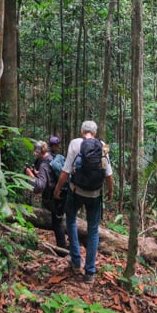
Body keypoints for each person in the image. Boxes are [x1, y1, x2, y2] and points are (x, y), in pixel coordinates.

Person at [53, 120, 113, 283]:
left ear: (81, 131)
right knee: (93, 230)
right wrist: (111, 190)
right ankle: (90, 272)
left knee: (71, 221)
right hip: (95, 194)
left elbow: (66, 171)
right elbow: (108, 173)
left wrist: (57, 189)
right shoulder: (103, 145)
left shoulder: (75, 143)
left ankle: (76, 260)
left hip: (76, 191)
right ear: (95, 132)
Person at [25, 140, 66, 248]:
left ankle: (62, 249)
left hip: (55, 197)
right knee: (58, 222)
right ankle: (63, 247)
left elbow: (39, 186)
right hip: (61, 193)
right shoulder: (52, 158)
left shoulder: (44, 165)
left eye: (35, 152)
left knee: (57, 223)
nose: (35, 154)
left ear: (38, 151)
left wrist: (30, 174)